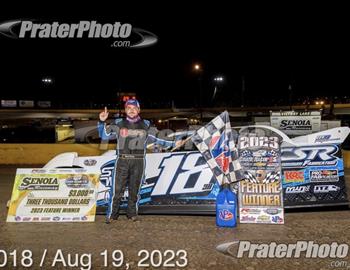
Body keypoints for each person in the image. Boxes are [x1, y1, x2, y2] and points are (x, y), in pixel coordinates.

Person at [98, 99, 182, 223]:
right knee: (116, 190)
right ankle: (112, 215)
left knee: (135, 190)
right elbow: (104, 135)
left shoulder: (146, 124)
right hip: (122, 161)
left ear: (139, 110)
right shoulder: (118, 123)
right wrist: (101, 121)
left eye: (134, 108)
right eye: (129, 108)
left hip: (139, 162)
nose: (131, 110)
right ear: (125, 110)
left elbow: (158, 138)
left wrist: (175, 142)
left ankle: (132, 214)